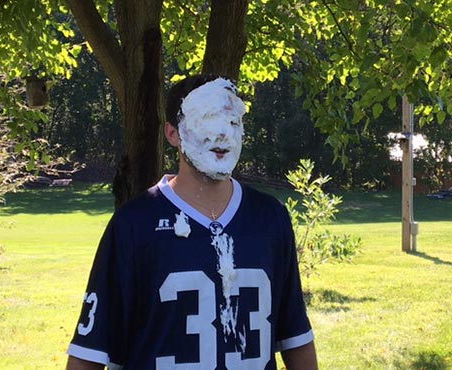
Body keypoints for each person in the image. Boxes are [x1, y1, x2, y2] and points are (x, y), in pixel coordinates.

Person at [65, 74, 318, 370]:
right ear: (173, 134)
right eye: (208, 119)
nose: (223, 134)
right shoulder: (134, 224)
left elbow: (295, 336)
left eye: (233, 122)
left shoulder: (270, 217)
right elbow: (89, 353)